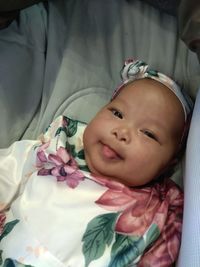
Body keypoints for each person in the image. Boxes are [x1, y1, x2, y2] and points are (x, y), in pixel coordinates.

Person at [0, 59, 193, 267]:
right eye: (117, 113)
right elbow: (10, 169)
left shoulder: (164, 210)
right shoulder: (62, 144)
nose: (122, 132)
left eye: (148, 133)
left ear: (169, 165)